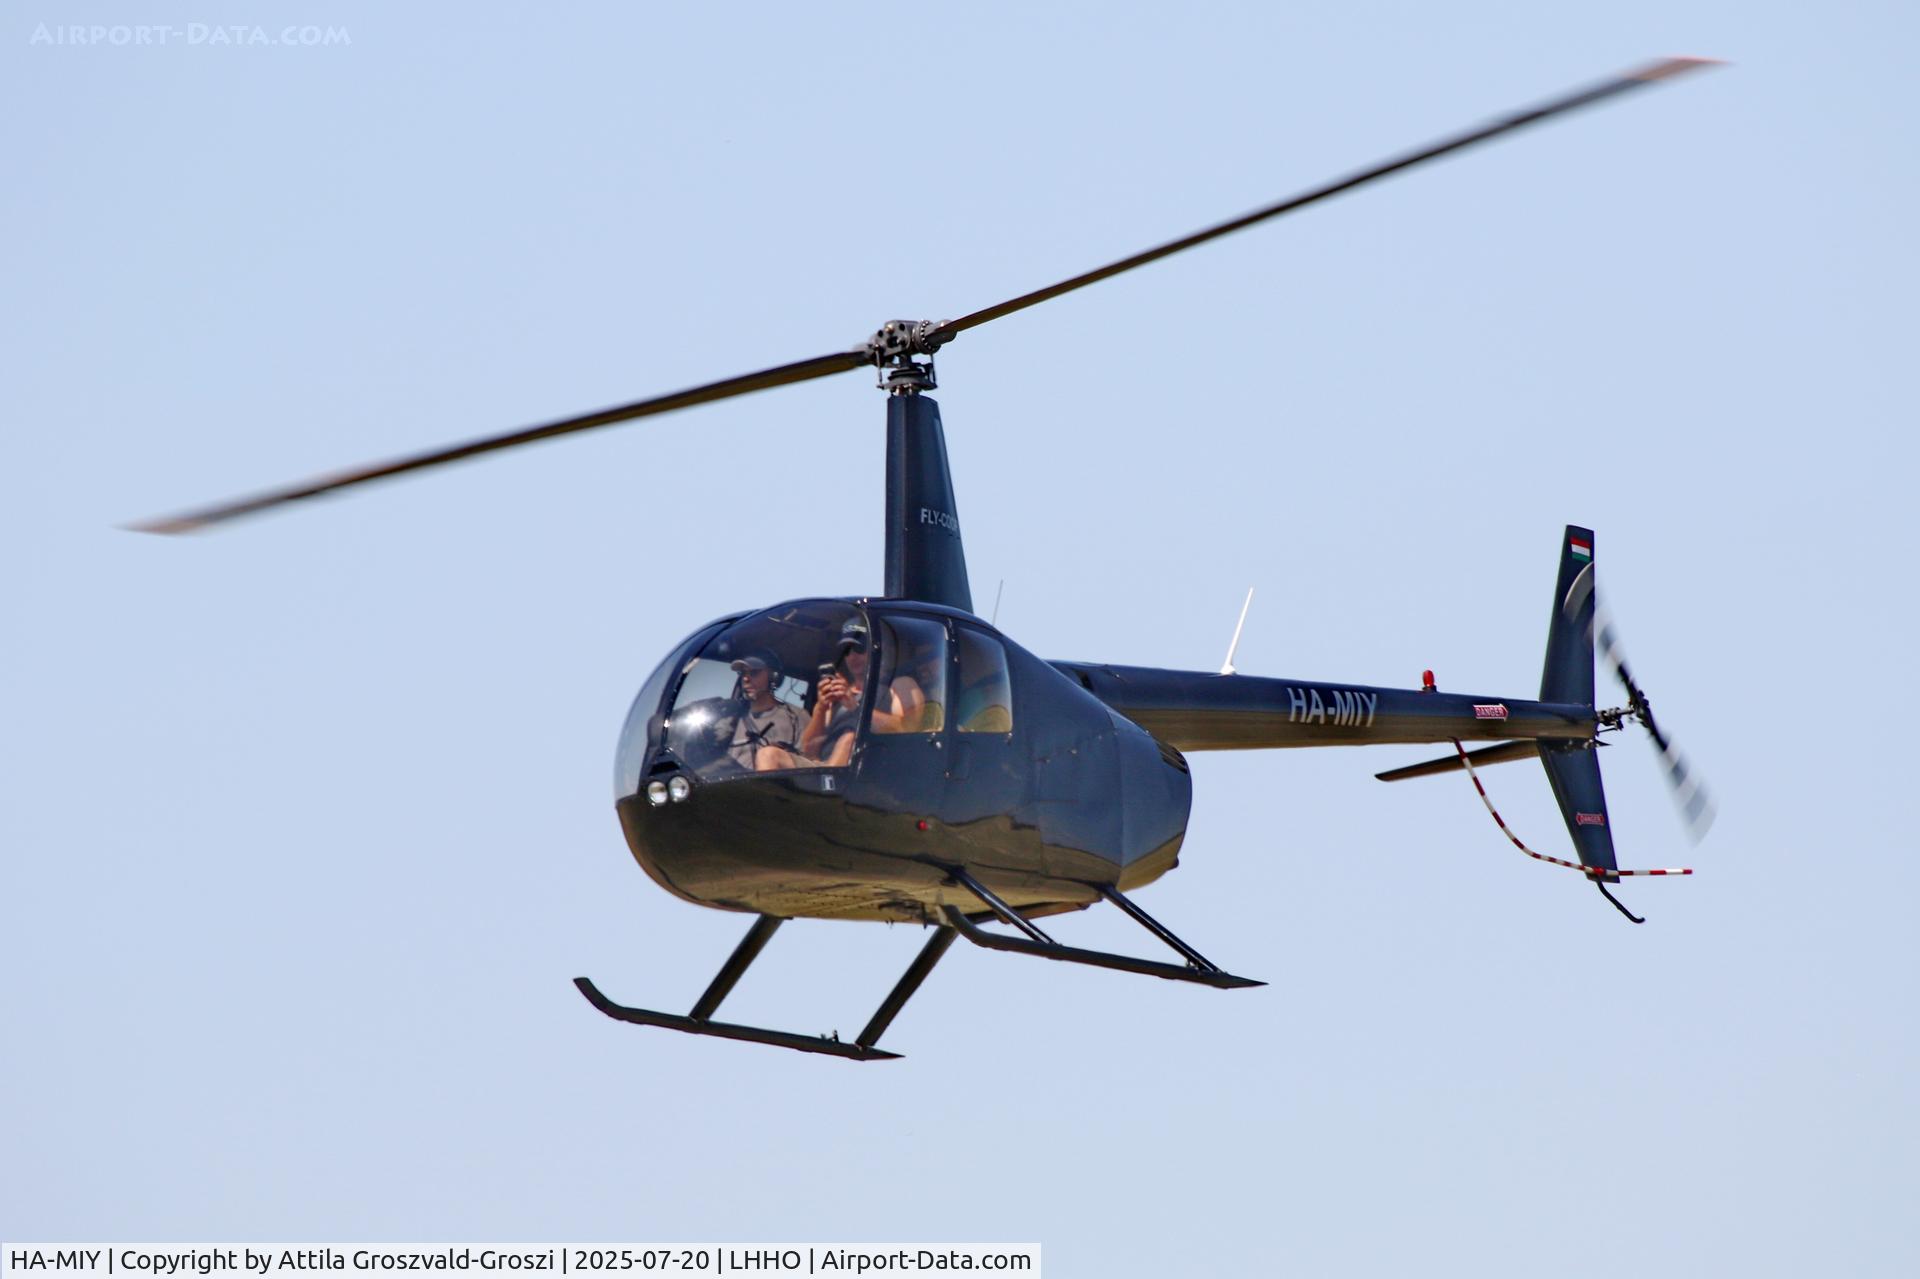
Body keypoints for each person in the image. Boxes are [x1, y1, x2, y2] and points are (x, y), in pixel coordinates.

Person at [723, 651, 808, 772]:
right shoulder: (731, 719)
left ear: (774, 676)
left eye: (754, 672)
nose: (746, 678)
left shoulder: (797, 717)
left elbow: (810, 763)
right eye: (743, 673)